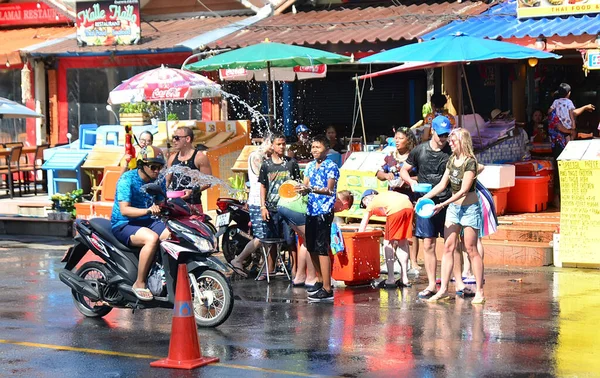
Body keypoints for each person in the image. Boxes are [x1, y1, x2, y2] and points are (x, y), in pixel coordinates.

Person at [421, 128, 485, 304]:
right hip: (454, 210)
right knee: (448, 247)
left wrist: (442, 204)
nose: (449, 142)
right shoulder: (452, 160)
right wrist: (424, 198)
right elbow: (442, 184)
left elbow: (464, 190)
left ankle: (479, 291)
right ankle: (442, 290)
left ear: (462, 141)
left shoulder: (470, 162)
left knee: (471, 249)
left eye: (452, 140)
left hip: (469, 209)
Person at [400, 115, 452, 300]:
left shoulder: (451, 151)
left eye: (447, 134)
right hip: (425, 204)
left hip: (446, 201)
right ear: (433, 131)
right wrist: (411, 184)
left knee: (451, 244)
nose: (444, 138)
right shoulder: (419, 151)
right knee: (428, 243)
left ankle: (455, 282)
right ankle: (431, 284)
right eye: (441, 134)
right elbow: (403, 169)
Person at [111, 146, 168, 301]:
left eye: (160, 167)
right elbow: (125, 210)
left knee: (172, 234)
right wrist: (149, 211)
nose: (157, 171)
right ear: (142, 165)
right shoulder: (127, 180)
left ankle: (163, 275)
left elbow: (162, 203)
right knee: (151, 239)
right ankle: (140, 282)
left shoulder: (159, 180)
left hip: (148, 221)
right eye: (153, 167)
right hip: (124, 223)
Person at [298, 135, 341, 302]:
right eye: (313, 147)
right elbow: (305, 183)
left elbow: (330, 190)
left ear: (327, 150)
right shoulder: (309, 166)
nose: (314, 150)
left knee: (322, 248)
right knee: (311, 246)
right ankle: (320, 279)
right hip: (311, 210)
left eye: (318, 147)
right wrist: (301, 189)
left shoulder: (331, 166)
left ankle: (328, 288)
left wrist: (310, 189)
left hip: (324, 210)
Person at [375, 127, 421, 272]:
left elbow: (422, 176)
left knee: (411, 230)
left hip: (410, 197)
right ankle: (392, 260)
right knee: (392, 228)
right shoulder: (390, 156)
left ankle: (413, 261)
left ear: (408, 140)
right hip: (393, 199)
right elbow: (378, 172)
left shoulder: (415, 156)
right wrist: (386, 176)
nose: (397, 141)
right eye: (396, 138)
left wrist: (407, 180)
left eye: (400, 138)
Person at [258, 133, 301, 280]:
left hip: (289, 208)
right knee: (271, 240)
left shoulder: (291, 163)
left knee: (290, 240)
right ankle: (270, 269)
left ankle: (295, 269)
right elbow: (263, 186)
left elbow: (298, 184)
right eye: (278, 144)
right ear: (272, 145)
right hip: (271, 208)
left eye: (284, 144)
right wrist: (262, 207)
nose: (282, 146)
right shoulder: (266, 165)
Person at [228, 140, 273, 278]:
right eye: (273, 144)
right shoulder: (256, 156)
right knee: (261, 237)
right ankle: (238, 259)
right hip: (257, 202)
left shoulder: (263, 157)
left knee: (266, 236)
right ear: (268, 142)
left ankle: (266, 266)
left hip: (261, 201)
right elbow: (264, 178)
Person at [358, 189, 414, 289]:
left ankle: (391, 279)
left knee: (388, 243)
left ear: (366, 199)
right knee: (403, 242)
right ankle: (404, 278)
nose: (366, 206)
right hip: (408, 207)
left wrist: (358, 238)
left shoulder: (372, 203)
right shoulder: (386, 195)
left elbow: (363, 223)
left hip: (395, 210)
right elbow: (406, 197)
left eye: (364, 203)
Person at [166, 126, 212, 214]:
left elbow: (208, 181)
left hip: (193, 206)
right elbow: (166, 182)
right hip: (175, 205)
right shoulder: (172, 158)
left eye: (177, 138)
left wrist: (192, 191)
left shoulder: (199, 157)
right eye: (173, 138)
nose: (174, 141)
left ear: (187, 139)